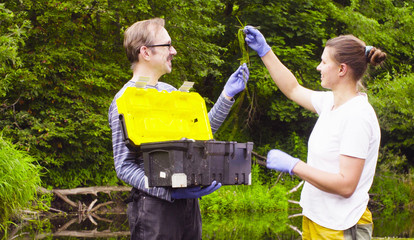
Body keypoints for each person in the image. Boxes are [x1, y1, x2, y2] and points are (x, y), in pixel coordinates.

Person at [108, 18, 249, 240]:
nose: (173, 51)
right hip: (154, 208)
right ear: (146, 52)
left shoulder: (170, 91)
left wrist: (227, 95)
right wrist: (168, 191)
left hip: (188, 206)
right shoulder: (123, 101)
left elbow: (201, 132)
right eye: (167, 45)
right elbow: (124, 166)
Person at [244, 26, 386, 239]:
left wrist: (295, 166)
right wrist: (265, 52)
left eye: (324, 62)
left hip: (342, 225)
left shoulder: (358, 116)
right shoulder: (331, 102)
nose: (318, 67)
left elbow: (346, 185)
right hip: (316, 219)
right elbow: (292, 89)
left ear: (341, 69)